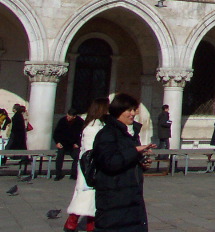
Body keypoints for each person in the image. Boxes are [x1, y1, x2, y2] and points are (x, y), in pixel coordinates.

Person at [92, 93, 154, 231]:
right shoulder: (107, 134)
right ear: (118, 111)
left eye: (134, 110)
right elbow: (109, 162)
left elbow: (126, 159)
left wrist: (142, 163)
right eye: (129, 110)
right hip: (114, 200)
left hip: (130, 198)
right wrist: (135, 150)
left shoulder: (129, 134)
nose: (133, 114)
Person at [63, 97, 109, 232]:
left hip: (93, 165)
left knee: (91, 197)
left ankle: (80, 223)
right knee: (87, 195)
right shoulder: (93, 127)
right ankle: (75, 223)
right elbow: (90, 150)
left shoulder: (99, 124)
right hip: (90, 166)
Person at [53, 108, 85, 180]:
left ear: (74, 116)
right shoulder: (62, 121)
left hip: (73, 145)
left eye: (70, 116)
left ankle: (73, 174)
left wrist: (78, 143)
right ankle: (58, 174)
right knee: (60, 156)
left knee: (77, 156)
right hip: (63, 144)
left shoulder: (80, 122)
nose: (68, 118)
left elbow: (83, 134)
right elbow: (56, 133)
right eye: (67, 115)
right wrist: (57, 142)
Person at [8, 103, 28, 169]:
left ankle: (3, 159)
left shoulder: (17, 115)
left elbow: (16, 126)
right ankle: (24, 159)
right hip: (19, 134)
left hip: (16, 134)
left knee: (8, 146)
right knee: (22, 146)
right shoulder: (20, 115)